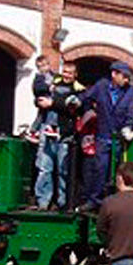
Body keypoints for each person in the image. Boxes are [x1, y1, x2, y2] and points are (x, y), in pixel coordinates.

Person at [70, 61, 133, 212]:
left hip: (118, 137)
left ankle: (115, 202)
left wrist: (128, 128)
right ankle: (94, 201)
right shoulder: (101, 86)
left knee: (117, 171)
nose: (126, 80)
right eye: (124, 76)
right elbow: (87, 96)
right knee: (99, 168)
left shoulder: (130, 91)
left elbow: (131, 112)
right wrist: (79, 102)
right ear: (114, 74)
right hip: (102, 135)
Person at [34, 63, 84, 210]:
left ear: (75, 75)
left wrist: (53, 103)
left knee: (64, 171)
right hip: (47, 130)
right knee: (44, 168)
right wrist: (40, 101)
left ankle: (63, 202)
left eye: (70, 73)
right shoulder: (53, 84)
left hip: (65, 134)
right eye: (65, 72)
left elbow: (75, 108)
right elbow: (39, 96)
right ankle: (43, 202)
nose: (67, 75)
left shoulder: (79, 89)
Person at [30, 55, 57, 209]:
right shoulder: (39, 79)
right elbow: (38, 91)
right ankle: (42, 199)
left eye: (46, 65)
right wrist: (49, 88)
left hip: (58, 123)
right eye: (41, 66)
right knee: (44, 163)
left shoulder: (55, 77)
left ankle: (55, 198)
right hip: (46, 121)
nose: (44, 68)